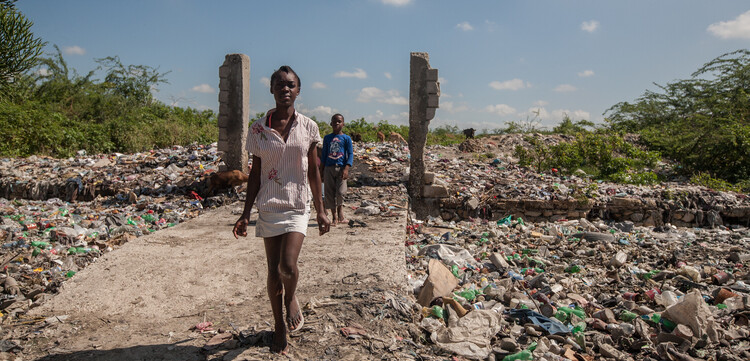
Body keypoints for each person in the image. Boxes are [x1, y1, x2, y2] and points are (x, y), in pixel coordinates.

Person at [232, 65, 330, 354]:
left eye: (291, 85)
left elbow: (314, 170)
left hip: (298, 205)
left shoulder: (309, 127)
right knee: (273, 271)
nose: (285, 89)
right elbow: (256, 172)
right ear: (272, 89)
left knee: (287, 266)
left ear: (298, 90)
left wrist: (322, 210)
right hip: (269, 205)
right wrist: (245, 212)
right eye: (280, 85)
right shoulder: (258, 130)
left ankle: (291, 298)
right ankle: (278, 326)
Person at [320, 113, 353, 225]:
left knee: (340, 192)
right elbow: (324, 154)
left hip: (341, 168)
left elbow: (350, 154)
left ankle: (340, 213)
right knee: (329, 193)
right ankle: (334, 217)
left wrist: (347, 168)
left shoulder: (346, 138)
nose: (336, 123)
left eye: (339, 121)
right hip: (329, 168)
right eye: (334, 121)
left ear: (343, 124)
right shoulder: (327, 138)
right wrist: (321, 171)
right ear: (331, 123)